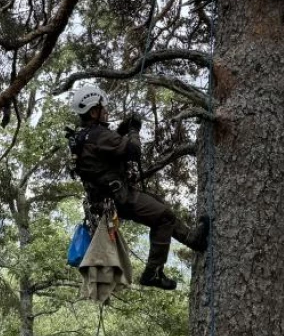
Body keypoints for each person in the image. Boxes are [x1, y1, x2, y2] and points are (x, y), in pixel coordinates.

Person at [69, 84, 209, 291]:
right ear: (93, 111)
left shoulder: (83, 136)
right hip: (119, 198)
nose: (106, 111)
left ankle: (192, 240)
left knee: (159, 207)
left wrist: (121, 131)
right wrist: (133, 130)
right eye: (102, 108)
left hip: (108, 199)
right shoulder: (98, 135)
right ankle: (153, 272)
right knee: (163, 216)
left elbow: (104, 153)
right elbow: (132, 150)